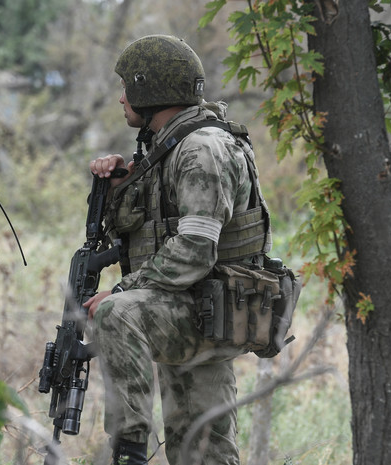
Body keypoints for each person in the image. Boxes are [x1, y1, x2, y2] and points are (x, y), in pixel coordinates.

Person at [84, 35, 274, 464]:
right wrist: (117, 189)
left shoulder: (201, 149)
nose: (121, 99)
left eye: (127, 89)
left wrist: (120, 292)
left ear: (149, 89)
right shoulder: (169, 146)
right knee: (201, 452)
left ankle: (128, 452)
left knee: (117, 313)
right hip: (189, 304)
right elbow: (143, 231)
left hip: (206, 309)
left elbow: (194, 249)